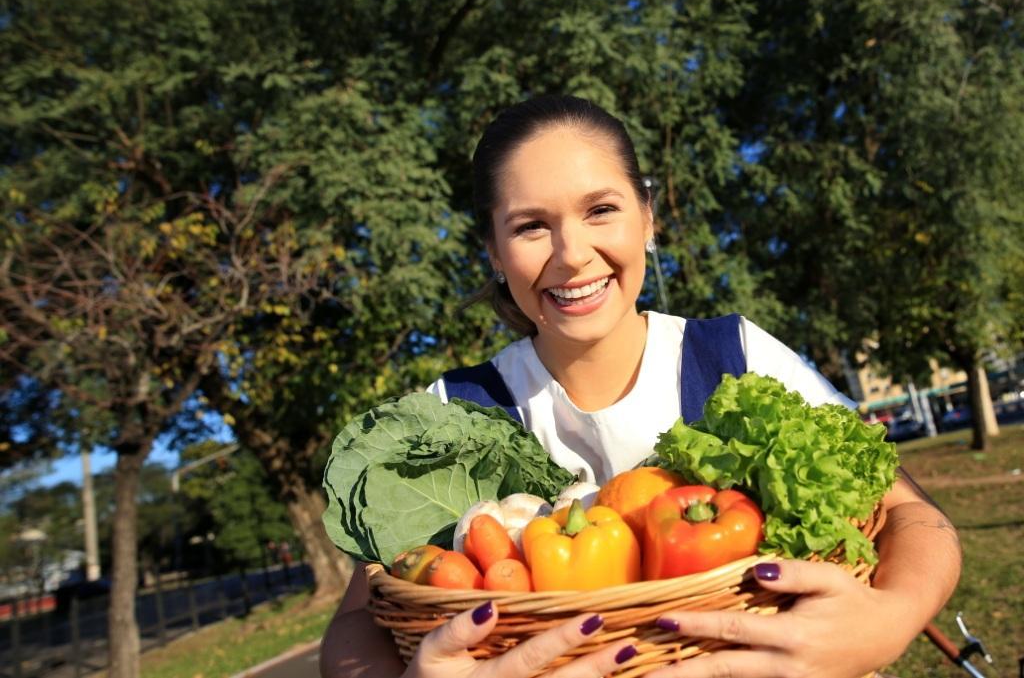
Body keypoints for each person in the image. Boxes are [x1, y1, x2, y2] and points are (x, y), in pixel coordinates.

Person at [319, 95, 961, 678]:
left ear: (647, 219)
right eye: (530, 226)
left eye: (601, 210)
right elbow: (356, 624)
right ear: (492, 250)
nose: (572, 254)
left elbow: (910, 513)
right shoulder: (451, 412)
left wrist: (891, 619)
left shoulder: (732, 354)